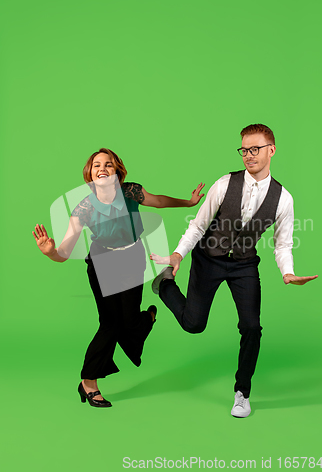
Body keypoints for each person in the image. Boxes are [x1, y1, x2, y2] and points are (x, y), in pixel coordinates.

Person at [150, 124, 318, 418]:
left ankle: (242, 393)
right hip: (208, 259)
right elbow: (199, 225)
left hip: (244, 265)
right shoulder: (225, 183)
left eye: (255, 149)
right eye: (244, 149)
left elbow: (283, 244)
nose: (248, 155)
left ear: (271, 150)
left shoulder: (284, 199)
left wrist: (287, 272)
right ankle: (164, 285)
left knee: (252, 327)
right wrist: (178, 254)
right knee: (193, 324)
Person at [32, 148, 204, 408]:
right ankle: (88, 382)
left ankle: (146, 319)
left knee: (130, 320)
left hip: (132, 258)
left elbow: (157, 201)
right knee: (110, 324)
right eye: (97, 165)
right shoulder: (84, 208)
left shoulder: (130, 191)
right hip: (102, 262)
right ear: (90, 174)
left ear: (117, 171)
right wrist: (50, 253)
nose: (102, 168)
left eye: (108, 164)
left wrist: (188, 203)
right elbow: (64, 252)